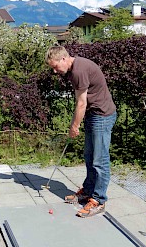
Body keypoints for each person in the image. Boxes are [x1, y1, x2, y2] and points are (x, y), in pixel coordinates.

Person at [45, 46, 117, 218]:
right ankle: (88, 191)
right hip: (93, 115)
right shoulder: (72, 70)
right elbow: (82, 102)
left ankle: (98, 200)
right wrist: (74, 123)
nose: (55, 71)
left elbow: (81, 103)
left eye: (55, 66)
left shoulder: (79, 70)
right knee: (89, 156)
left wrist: (74, 126)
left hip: (102, 116)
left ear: (64, 59)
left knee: (99, 160)